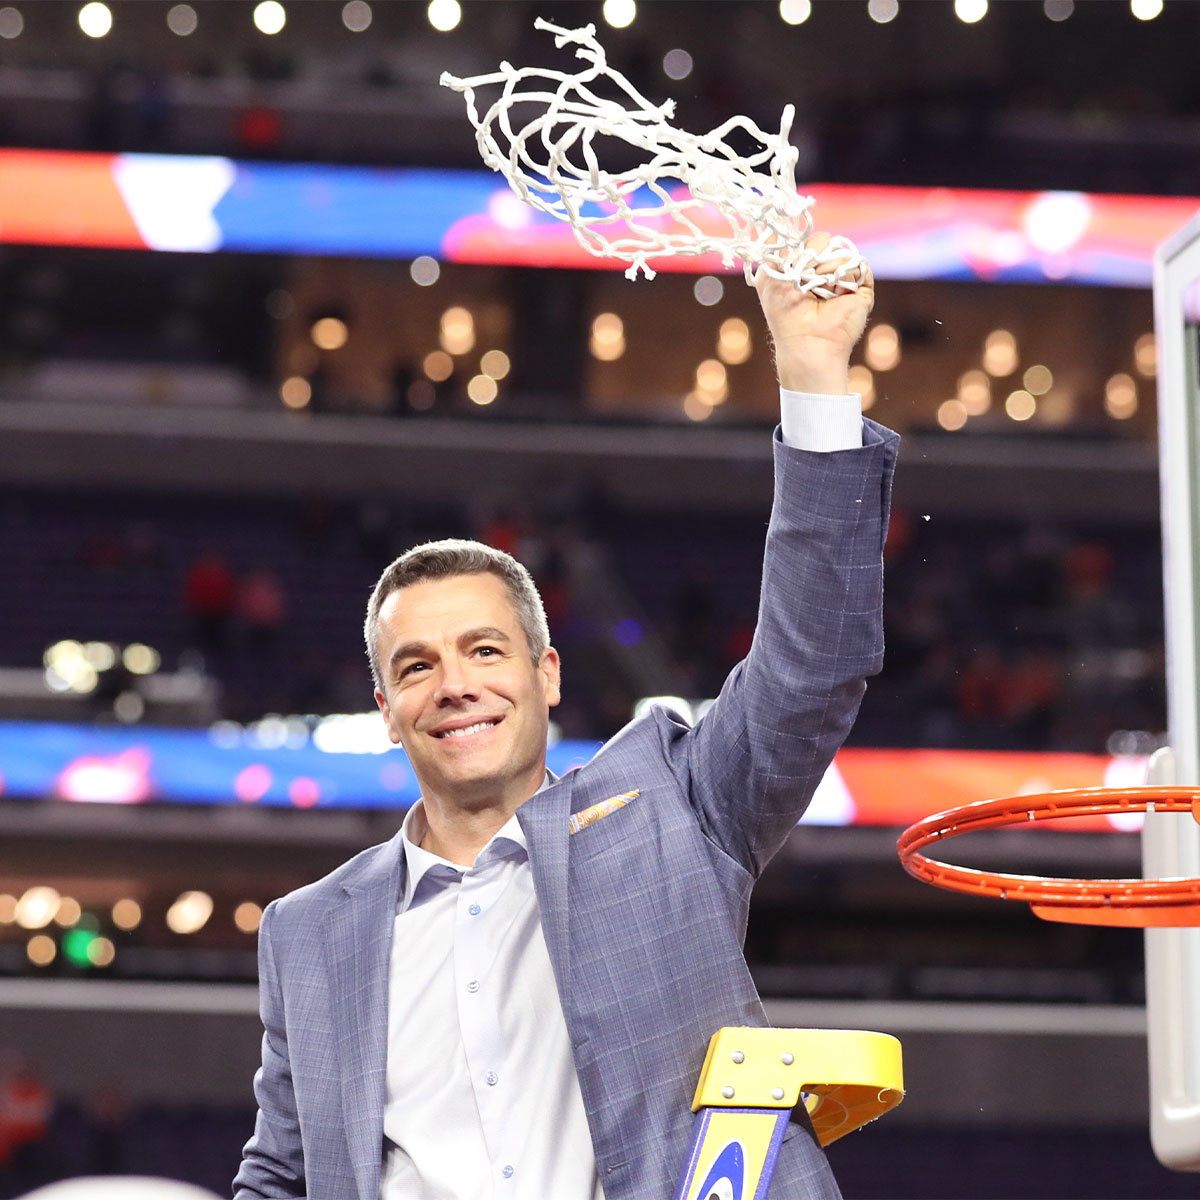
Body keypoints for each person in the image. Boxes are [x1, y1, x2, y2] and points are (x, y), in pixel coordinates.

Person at [234, 234, 898, 1200]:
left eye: (485, 650)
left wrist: (812, 373)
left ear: (547, 675)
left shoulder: (672, 805)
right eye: (416, 666)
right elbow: (283, 1173)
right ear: (385, 710)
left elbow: (813, 667)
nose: (454, 685)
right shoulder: (307, 934)